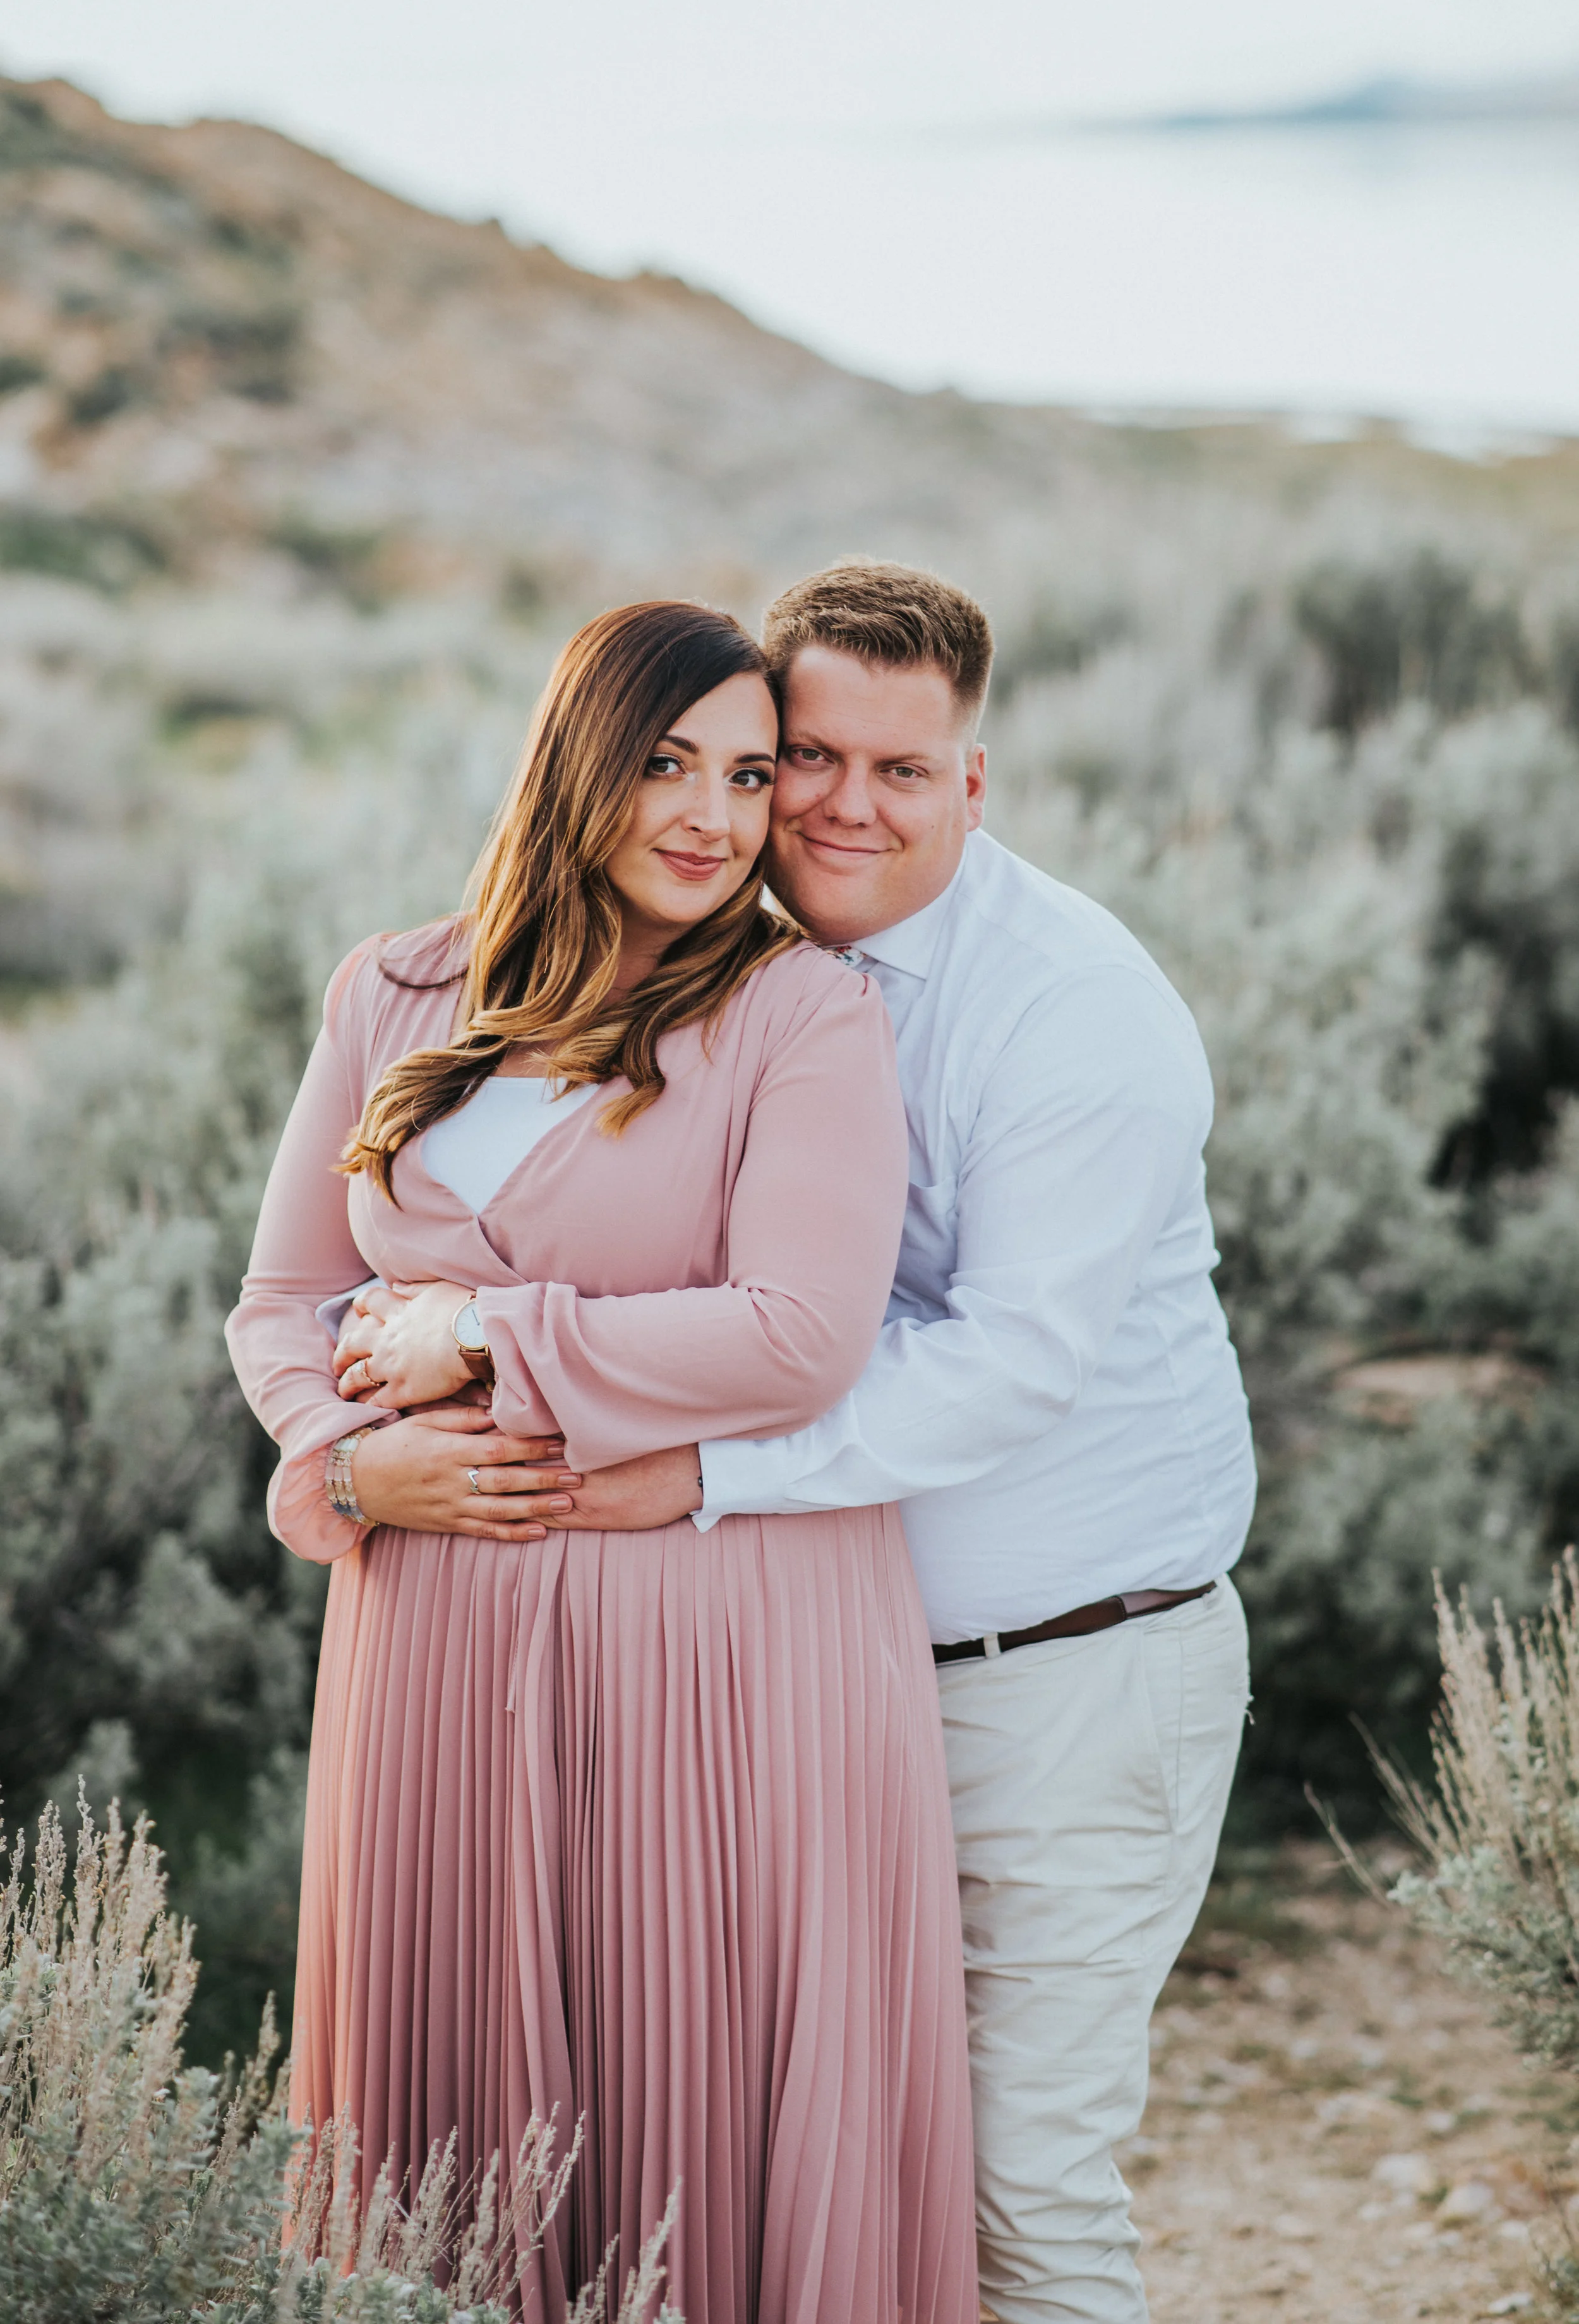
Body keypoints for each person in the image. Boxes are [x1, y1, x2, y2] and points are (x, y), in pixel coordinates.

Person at [497, 563, 1258, 2324]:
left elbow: (1006, 1365)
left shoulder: (1072, 1010)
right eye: (805, 757)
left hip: (1063, 1677)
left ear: (971, 783)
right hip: (823, 1680)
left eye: (899, 770)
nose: (842, 804)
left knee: (1015, 2188)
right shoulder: (717, 967)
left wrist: (698, 1471)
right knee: (837, 2172)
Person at [225, 599, 978, 2324]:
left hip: (710, 1649)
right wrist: (349, 1463)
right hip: (426, 1655)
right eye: (665, 764)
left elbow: (801, 1330)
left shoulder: (801, 1015)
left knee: (679, 2121)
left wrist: (493, 1340)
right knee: (441, 2139)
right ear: (578, 760)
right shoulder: (398, 987)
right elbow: (282, 1298)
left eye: (744, 771)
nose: (713, 816)